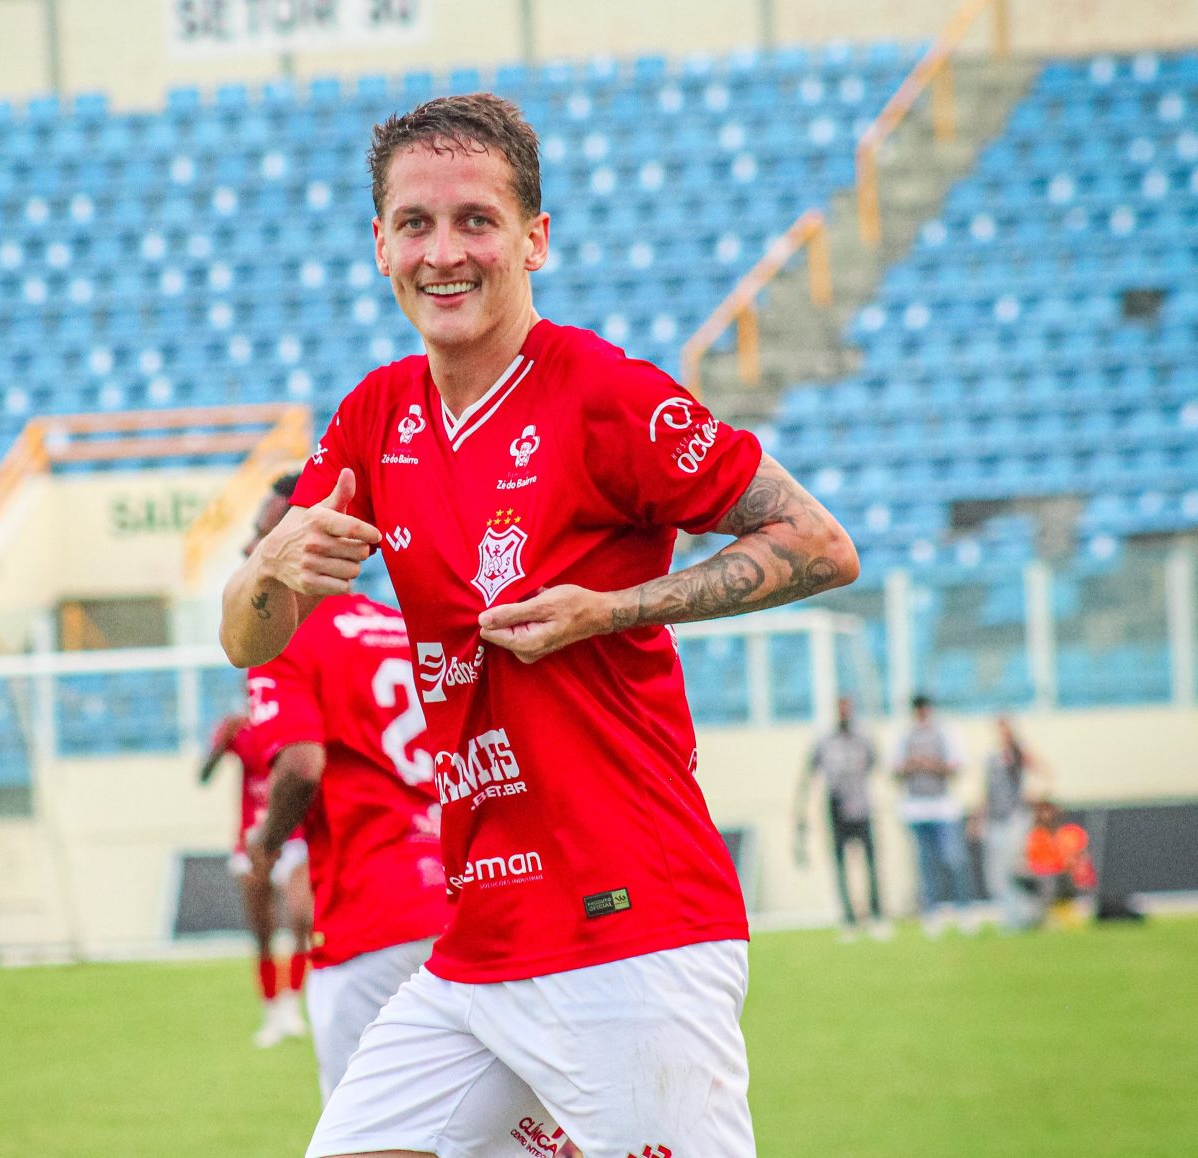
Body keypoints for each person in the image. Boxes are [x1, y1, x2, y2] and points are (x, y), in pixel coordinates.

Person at [219, 93, 858, 1158]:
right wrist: (266, 567)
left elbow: (820, 542)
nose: (444, 253)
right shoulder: (375, 416)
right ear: (380, 245)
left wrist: (612, 610)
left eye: (476, 220)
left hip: (629, 927)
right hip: (477, 944)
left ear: (534, 240)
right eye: (416, 224)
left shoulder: (606, 394)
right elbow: (250, 641)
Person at [241, 473, 453, 1103]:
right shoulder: (402, 628)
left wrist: (266, 841)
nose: (249, 554)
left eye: (260, 538)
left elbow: (302, 765)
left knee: (362, 1128)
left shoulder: (284, 636)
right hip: (456, 900)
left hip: (370, 916)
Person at [198, 711, 312, 1047]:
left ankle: (292, 1005)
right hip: (252, 840)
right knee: (263, 931)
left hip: (292, 838)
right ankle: (271, 1012)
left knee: (301, 918)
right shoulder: (238, 729)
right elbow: (203, 776)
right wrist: (220, 746)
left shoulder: (293, 718)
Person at [795, 695, 889, 941]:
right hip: (835, 807)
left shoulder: (864, 737)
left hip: (861, 806)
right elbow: (810, 772)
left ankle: (876, 915)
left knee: (870, 862)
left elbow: (874, 765)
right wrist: (801, 809)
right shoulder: (825, 740)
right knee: (840, 864)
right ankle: (849, 919)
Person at [892, 694, 974, 935]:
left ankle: (964, 909)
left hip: (943, 807)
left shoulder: (945, 732)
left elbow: (957, 765)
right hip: (917, 808)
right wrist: (913, 765)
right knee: (926, 865)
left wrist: (930, 764)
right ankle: (931, 912)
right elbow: (895, 769)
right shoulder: (905, 735)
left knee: (954, 859)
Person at [976, 716, 1051, 930]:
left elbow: (1046, 772)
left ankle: (1028, 914)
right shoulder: (992, 759)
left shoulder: (1018, 754)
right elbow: (987, 791)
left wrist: (1036, 796)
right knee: (996, 873)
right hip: (995, 820)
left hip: (1014, 819)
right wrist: (979, 818)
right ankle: (1011, 917)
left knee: (1014, 869)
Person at [1018, 800, 1096, 929]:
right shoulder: (1036, 837)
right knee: (1047, 881)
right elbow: (1030, 863)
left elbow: (1079, 859)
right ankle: (1042, 918)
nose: (1047, 817)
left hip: (1068, 878)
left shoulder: (1071, 833)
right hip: (1046, 877)